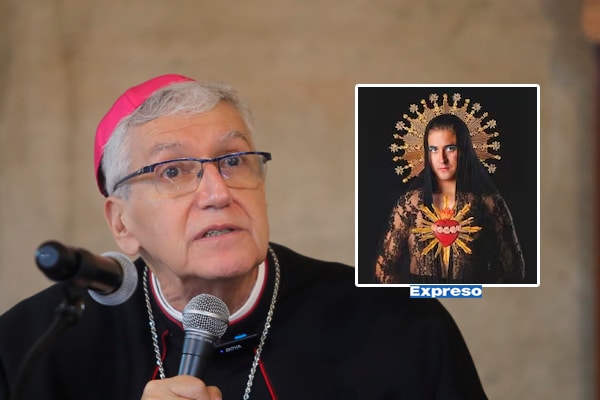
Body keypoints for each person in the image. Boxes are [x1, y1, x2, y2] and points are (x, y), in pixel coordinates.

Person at [0, 74, 487, 399]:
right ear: (121, 223)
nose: (218, 193)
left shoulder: (399, 325)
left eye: (233, 161)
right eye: (173, 171)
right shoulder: (31, 347)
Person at [375, 95, 526, 284]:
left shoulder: (489, 203)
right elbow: (383, 267)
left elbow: (514, 270)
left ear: (464, 150)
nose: (441, 158)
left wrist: (482, 295)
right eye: (433, 149)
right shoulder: (410, 204)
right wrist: (412, 297)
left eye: (450, 148)